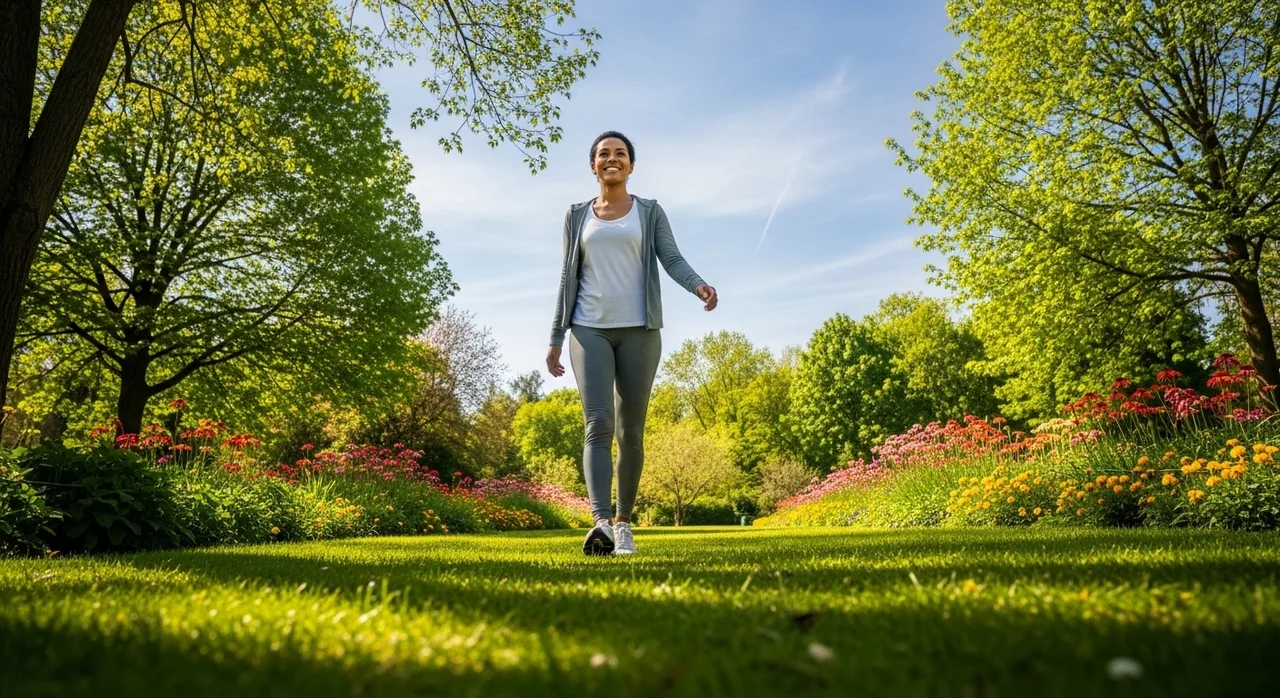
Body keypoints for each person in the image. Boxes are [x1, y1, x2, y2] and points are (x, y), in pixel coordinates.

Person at [546, 131, 718, 556]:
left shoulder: (649, 212)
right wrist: (555, 336)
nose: (612, 159)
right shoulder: (575, 216)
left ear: (631, 165)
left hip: (641, 330)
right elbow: (568, 277)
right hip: (588, 329)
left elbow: (671, 258)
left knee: (630, 430)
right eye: (604, 154)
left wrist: (698, 285)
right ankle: (600, 523)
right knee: (598, 424)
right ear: (592, 166)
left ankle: (624, 523)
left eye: (620, 154)